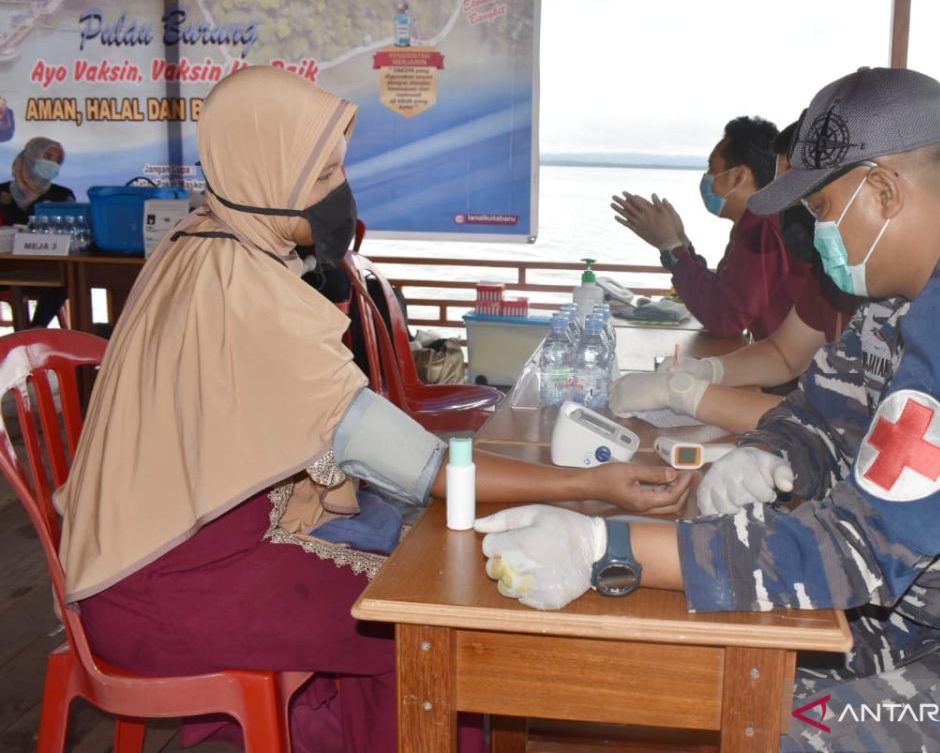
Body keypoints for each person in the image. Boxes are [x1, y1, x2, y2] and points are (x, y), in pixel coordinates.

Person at [474, 67, 940, 751]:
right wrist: (773, 454)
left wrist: (610, 549)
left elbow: (856, 551)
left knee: (791, 734)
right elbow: (823, 413)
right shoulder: (902, 294)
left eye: (821, 209)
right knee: (719, 675)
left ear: (884, 190)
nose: (817, 238)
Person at [54, 66, 690, 752]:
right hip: (165, 591)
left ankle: (314, 731)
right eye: (322, 174)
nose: (341, 192)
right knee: (431, 620)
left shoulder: (202, 241)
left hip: (143, 558)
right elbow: (424, 470)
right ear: (267, 170)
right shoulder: (253, 302)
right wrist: (589, 485)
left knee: (400, 547)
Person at [608, 121, 859, 434]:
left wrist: (681, 392)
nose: (795, 215)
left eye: (814, 204)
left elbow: (727, 316)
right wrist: (704, 372)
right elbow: (783, 354)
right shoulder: (829, 277)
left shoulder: (765, 227)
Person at [612, 116, 817, 341]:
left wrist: (671, 248)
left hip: (793, 370)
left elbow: (726, 318)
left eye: (712, 168)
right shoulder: (755, 222)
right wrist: (681, 244)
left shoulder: (762, 226)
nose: (706, 178)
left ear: (739, 175)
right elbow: (722, 294)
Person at [0, 136, 72, 326]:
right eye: (47, 156)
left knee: (68, 281)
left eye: (57, 160)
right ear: (30, 156)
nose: (52, 164)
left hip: (46, 269)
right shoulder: (1, 192)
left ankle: (35, 330)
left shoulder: (62, 195)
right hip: (5, 268)